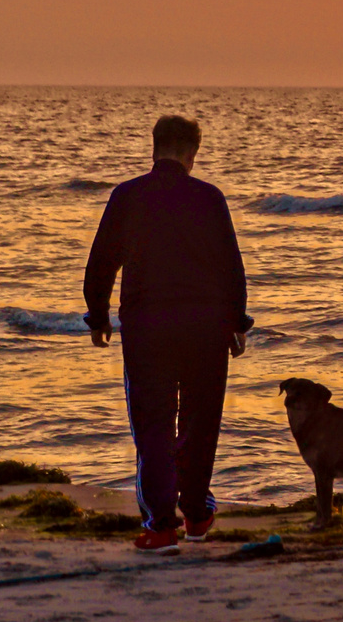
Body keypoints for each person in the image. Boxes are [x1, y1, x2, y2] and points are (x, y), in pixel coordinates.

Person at [83, 115, 252, 553]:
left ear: (154, 148)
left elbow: (102, 260)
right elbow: (231, 266)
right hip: (205, 328)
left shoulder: (128, 196)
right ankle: (196, 515)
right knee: (201, 423)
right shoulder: (209, 198)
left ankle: (161, 527)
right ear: (192, 154)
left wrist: (97, 315)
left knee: (153, 426)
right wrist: (238, 322)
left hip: (147, 329)